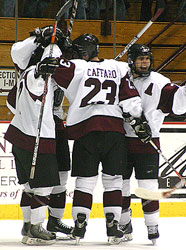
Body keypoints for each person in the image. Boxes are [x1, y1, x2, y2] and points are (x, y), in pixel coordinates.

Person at [33, 33, 152, 244]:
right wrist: (137, 120)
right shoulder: (119, 68)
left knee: (85, 183)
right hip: (114, 133)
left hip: (86, 133)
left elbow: (53, 67)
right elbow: (131, 101)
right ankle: (113, 227)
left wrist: (55, 48)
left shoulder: (78, 66)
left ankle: (80, 226)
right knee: (113, 181)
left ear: (84, 51)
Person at [5, 25, 73, 245]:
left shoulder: (35, 72)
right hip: (36, 134)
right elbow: (31, 68)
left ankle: (29, 225)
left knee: (32, 186)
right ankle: (35, 227)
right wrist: (40, 37)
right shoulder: (34, 72)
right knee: (43, 185)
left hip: (23, 132)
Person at [119, 44, 186, 245]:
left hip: (147, 143)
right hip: (120, 141)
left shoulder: (160, 82)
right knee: (119, 185)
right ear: (131, 61)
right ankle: (124, 222)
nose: (144, 63)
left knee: (147, 187)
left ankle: (152, 225)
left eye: (147, 59)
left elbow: (179, 102)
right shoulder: (121, 79)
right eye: (140, 59)